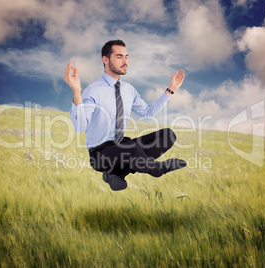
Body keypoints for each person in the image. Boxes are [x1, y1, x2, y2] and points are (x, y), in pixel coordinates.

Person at [64, 39, 187, 191]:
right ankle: (156, 169)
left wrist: (171, 89)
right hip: (100, 154)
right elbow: (79, 127)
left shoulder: (129, 90)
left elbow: (147, 112)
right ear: (105, 59)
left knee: (168, 135)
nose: (125, 61)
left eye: (126, 57)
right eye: (119, 57)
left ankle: (117, 173)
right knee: (133, 149)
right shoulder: (93, 90)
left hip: (123, 146)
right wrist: (76, 93)